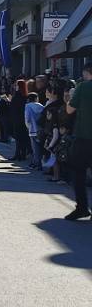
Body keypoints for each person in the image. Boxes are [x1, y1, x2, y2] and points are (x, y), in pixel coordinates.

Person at [65, 64, 92, 220]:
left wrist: (70, 97)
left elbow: (69, 110)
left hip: (84, 136)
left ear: (87, 72)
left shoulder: (83, 87)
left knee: (79, 173)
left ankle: (82, 207)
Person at [10, 80, 30, 161]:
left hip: (17, 119)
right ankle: (22, 154)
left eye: (17, 85)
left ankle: (18, 154)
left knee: (18, 137)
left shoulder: (17, 96)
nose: (15, 87)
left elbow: (14, 106)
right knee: (22, 137)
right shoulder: (25, 96)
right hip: (22, 119)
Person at [25, 92, 45, 170]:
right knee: (40, 147)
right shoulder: (42, 106)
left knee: (35, 148)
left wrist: (28, 127)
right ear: (36, 98)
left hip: (32, 129)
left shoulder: (28, 106)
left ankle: (37, 164)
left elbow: (27, 119)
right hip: (40, 129)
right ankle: (38, 163)